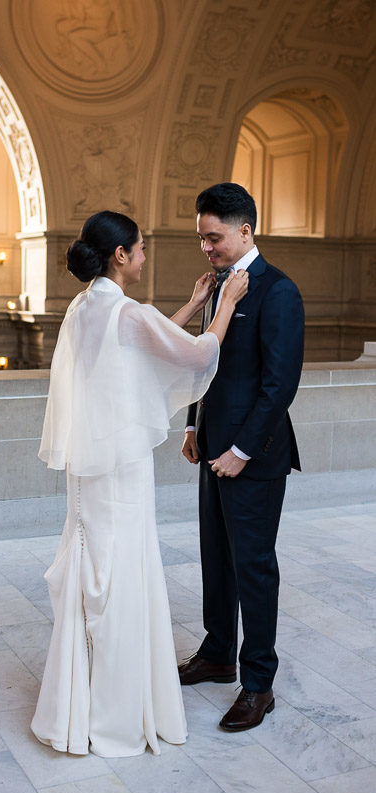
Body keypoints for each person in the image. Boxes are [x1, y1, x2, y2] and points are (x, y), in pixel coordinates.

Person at [31, 210, 248, 757]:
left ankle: (79, 700)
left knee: (93, 570)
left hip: (88, 471)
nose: (147, 255)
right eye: (142, 248)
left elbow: (140, 343)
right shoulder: (127, 312)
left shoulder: (85, 307)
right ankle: (119, 709)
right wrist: (223, 306)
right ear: (120, 255)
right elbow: (195, 355)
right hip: (122, 466)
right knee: (123, 570)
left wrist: (194, 304)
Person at [178, 183, 305, 732]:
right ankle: (218, 652)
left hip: (253, 455)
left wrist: (241, 450)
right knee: (216, 557)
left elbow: (280, 386)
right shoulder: (216, 287)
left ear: (245, 230)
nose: (207, 247)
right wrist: (192, 423)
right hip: (209, 446)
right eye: (202, 238)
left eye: (215, 237)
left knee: (253, 567)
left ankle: (257, 683)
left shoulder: (278, 291)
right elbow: (202, 362)